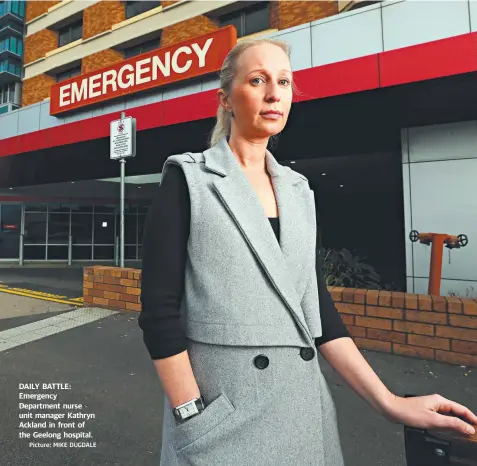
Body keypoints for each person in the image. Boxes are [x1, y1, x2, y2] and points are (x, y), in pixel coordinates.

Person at [138, 38, 477, 466]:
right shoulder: (189, 179)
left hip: (301, 412)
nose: (274, 93)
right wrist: (190, 413)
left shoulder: (299, 191)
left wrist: (389, 402)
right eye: (258, 79)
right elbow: (158, 312)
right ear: (225, 98)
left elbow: (318, 315)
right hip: (219, 419)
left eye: (284, 81)